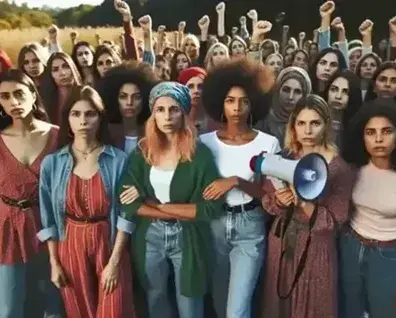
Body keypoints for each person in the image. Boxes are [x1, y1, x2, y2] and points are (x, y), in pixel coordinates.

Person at [118, 82, 224, 318]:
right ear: (153, 114)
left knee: (189, 302)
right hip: (151, 236)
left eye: (174, 109)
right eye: (160, 109)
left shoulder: (199, 154)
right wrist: (174, 210)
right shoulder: (142, 152)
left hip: (188, 237)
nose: (167, 116)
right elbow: (127, 201)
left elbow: (210, 208)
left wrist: (152, 203)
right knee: (155, 299)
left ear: (184, 113)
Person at [39, 86, 135, 317]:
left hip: (109, 244)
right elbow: (48, 219)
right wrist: (54, 262)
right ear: (68, 120)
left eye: (90, 114)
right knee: (80, 311)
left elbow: (126, 214)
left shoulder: (118, 160)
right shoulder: (52, 163)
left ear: (100, 119)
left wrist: (114, 262)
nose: (83, 120)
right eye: (76, 114)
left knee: (114, 310)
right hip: (70, 244)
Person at [260, 94, 356, 317]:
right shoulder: (286, 157)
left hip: (316, 249)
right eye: (301, 123)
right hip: (283, 242)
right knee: (279, 305)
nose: (308, 131)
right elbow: (267, 198)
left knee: (314, 305)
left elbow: (335, 220)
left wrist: (303, 200)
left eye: (315, 123)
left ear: (326, 126)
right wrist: (279, 201)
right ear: (293, 126)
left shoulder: (338, 167)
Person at [199, 60, 280, 318]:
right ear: (220, 104)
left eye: (243, 101)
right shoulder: (204, 143)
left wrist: (237, 181)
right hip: (214, 225)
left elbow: (271, 196)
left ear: (253, 103)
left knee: (237, 310)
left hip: (250, 226)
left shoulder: (268, 143)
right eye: (230, 100)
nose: (237, 108)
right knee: (221, 305)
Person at [339, 100, 396, 317]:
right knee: (349, 311)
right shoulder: (353, 170)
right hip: (350, 248)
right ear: (361, 137)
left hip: (389, 256)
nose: (378, 139)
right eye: (370, 132)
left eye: (387, 131)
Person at [0, 69, 62, 318]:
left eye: (19, 94)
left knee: (55, 295)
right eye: (5, 96)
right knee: (8, 305)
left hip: (49, 220)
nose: (13, 102)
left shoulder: (57, 135)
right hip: (8, 223)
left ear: (32, 95)